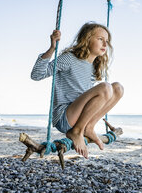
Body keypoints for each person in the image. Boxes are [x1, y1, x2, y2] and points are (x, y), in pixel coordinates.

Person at [31, 22, 124, 159]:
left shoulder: (94, 66)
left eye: (107, 41)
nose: (105, 44)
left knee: (118, 88)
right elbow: (37, 75)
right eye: (100, 39)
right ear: (87, 39)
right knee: (105, 87)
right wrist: (52, 48)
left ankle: (88, 127)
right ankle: (77, 131)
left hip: (79, 116)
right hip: (64, 116)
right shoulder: (70, 58)